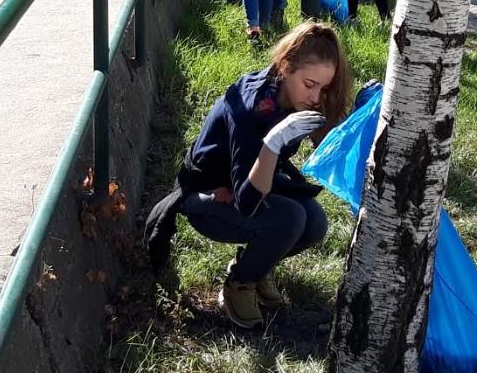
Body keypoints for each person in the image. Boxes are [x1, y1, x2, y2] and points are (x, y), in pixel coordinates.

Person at [143, 22, 352, 329]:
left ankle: (257, 265)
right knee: (291, 218)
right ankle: (239, 284)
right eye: (310, 84)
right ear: (285, 67)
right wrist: (274, 142)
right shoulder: (254, 108)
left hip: (245, 181)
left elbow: (332, 152)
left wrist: (356, 124)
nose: (316, 96)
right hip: (206, 193)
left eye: (324, 87)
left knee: (316, 222)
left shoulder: (297, 97)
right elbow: (247, 201)